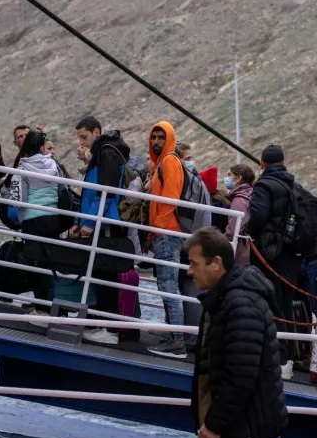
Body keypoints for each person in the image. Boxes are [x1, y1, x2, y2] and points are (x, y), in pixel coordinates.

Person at [181, 228, 294, 438]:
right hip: (236, 424)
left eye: (194, 263)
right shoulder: (226, 299)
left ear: (216, 263)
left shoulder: (239, 304)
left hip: (249, 427)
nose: (189, 271)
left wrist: (214, 424)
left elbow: (241, 375)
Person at [71, 116, 131, 345]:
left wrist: (89, 222)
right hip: (98, 222)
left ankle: (108, 329)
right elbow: (91, 193)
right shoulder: (103, 152)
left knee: (104, 276)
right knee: (98, 275)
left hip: (103, 224)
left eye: (84, 137)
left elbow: (103, 193)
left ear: (96, 132)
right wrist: (80, 220)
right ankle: (99, 323)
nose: (82, 143)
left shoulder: (106, 153)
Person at [247, 144, 302, 378]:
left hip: (268, 254)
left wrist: (249, 231)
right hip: (289, 252)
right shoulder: (293, 185)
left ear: (262, 163)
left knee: (269, 304)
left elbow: (258, 216)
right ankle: (285, 358)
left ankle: (275, 358)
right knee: (284, 305)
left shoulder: (264, 185)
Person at [145, 121, 188, 359]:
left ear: (169, 139)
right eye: (154, 137)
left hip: (167, 234)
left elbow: (171, 198)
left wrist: (158, 229)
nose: (156, 142)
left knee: (169, 286)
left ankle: (178, 341)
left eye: (161, 137)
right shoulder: (162, 162)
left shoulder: (170, 161)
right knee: (165, 285)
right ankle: (173, 336)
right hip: (165, 232)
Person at [11, 130, 64, 308]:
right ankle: (54, 306)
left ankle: (41, 309)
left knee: (35, 263)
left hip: (33, 220)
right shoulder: (53, 165)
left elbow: (19, 199)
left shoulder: (23, 167)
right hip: (53, 219)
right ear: (42, 147)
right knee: (51, 264)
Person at [224, 164, 255, 266]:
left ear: (239, 178)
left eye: (230, 175)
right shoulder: (251, 193)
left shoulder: (239, 200)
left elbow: (233, 231)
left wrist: (219, 240)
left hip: (241, 252)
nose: (227, 178)